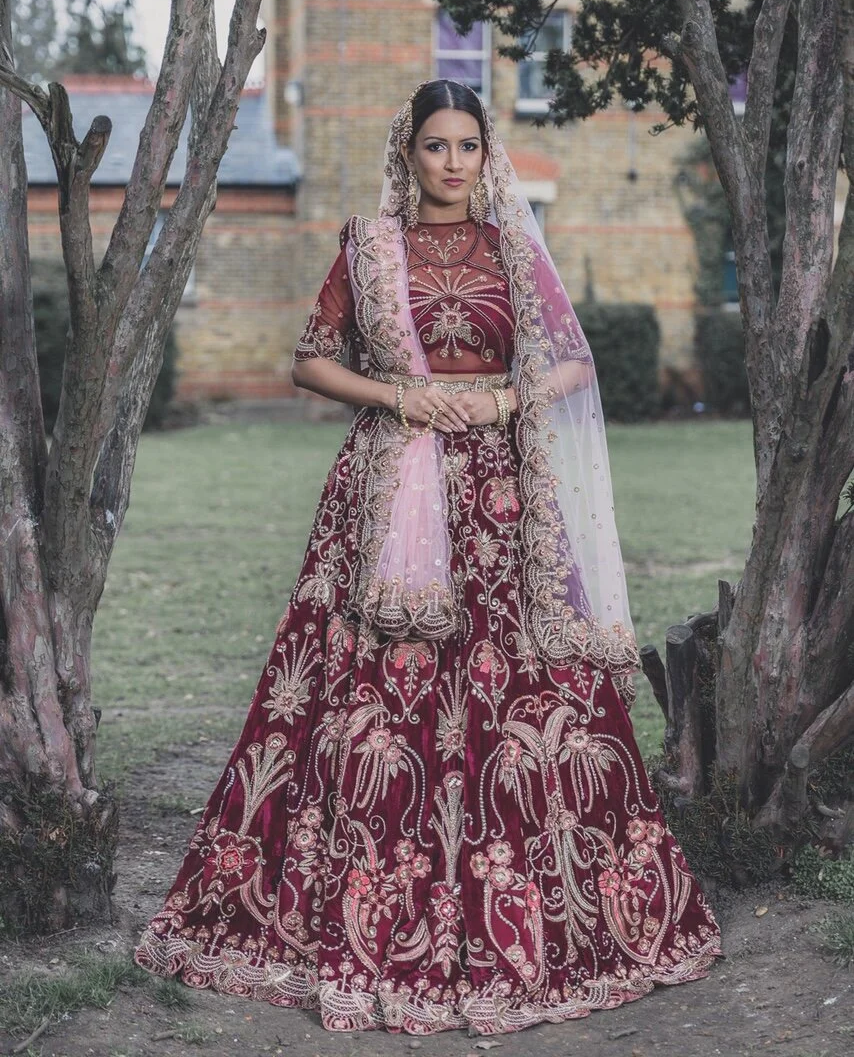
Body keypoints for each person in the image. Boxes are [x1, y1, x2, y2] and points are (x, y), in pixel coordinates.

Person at [133, 79, 724, 1035]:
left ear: (488, 155)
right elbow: (308, 358)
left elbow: (574, 363)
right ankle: (359, 917)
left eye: (468, 146)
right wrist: (400, 398)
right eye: (435, 146)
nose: (453, 163)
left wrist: (498, 403)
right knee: (369, 700)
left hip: (502, 504)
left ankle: (551, 918)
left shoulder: (513, 251)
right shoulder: (368, 252)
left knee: (525, 696)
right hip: (386, 496)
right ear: (406, 151)